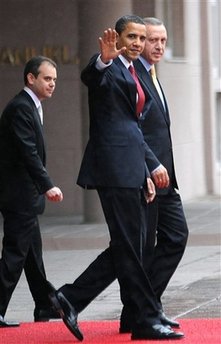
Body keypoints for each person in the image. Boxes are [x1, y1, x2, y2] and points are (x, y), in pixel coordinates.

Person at [49, 15, 184, 341]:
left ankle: (75, 298)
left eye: (142, 37)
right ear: (118, 39)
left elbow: (134, 127)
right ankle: (143, 318)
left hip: (130, 169)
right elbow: (91, 77)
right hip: (116, 168)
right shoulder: (110, 68)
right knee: (131, 247)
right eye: (133, 37)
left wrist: (145, 169)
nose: (139, 43)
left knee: (130, 248)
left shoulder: (131, 72)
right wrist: (103, 60)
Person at [118, 16, 189, 331]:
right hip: (147, 177)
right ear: (140, 41)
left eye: (163, 40)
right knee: (141, 249)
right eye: (152, 40)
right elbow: (133, 131)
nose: (159, 46)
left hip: (165, 178)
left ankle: (143, 307)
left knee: (176, 236)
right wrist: (148, 169)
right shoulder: (133, 77)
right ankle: (138, 313)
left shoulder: (153, 75)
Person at [0, 56, 63, 327]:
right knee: (15, 254)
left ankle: (44, 306)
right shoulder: (21, 108)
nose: (52, 84)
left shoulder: (32, 106)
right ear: (31, 78)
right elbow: (29, 153)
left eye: (55, 80)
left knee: (32, 255)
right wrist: (47, 184)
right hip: (19, 195)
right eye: (47, 79)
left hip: (25, 195)